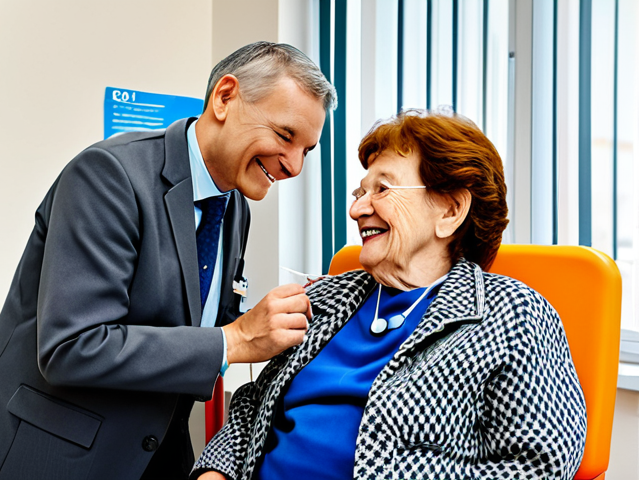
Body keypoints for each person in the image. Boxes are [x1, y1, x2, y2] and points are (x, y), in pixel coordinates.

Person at [0, 42, 336, 480]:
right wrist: (233, 340)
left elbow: (196, 322)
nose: (293, 166)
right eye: (285, 136)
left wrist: (280, 324)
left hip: (148, 450)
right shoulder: (109, 175)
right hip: (52, 455)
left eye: (307, 151)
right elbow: (71, 347)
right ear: (225, 97)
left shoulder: (233, 206)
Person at [193, 110, 587, 480]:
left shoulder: (515, 315)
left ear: (450, 210)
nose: (357, 209)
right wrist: (216, 471)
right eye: (359, 192)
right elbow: (252, 405)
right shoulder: (327, 297)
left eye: (382, 189)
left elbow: (537, 465)